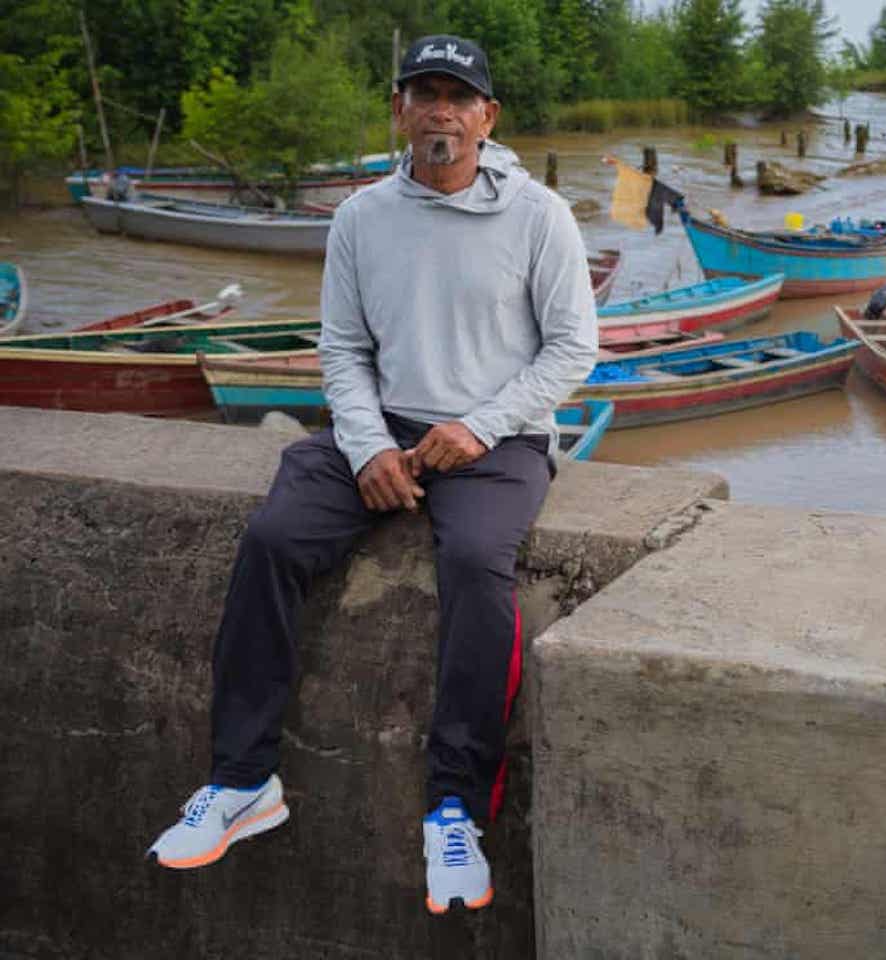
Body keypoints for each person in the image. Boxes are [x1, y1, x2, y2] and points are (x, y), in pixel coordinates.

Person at [146, 34, 599, 916]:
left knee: (475, 565)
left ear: (487, 117)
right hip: (384, 426)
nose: (441, 111)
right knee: (275, 537)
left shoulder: (540, 215)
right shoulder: (360, 217)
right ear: (399, 110)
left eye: (458, 97)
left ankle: (455, 806)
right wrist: (366, 449)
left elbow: (575, 345)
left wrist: (481, 426)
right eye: (424, 93)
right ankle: (243, 783)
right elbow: (345, 351)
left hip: (498, 437)